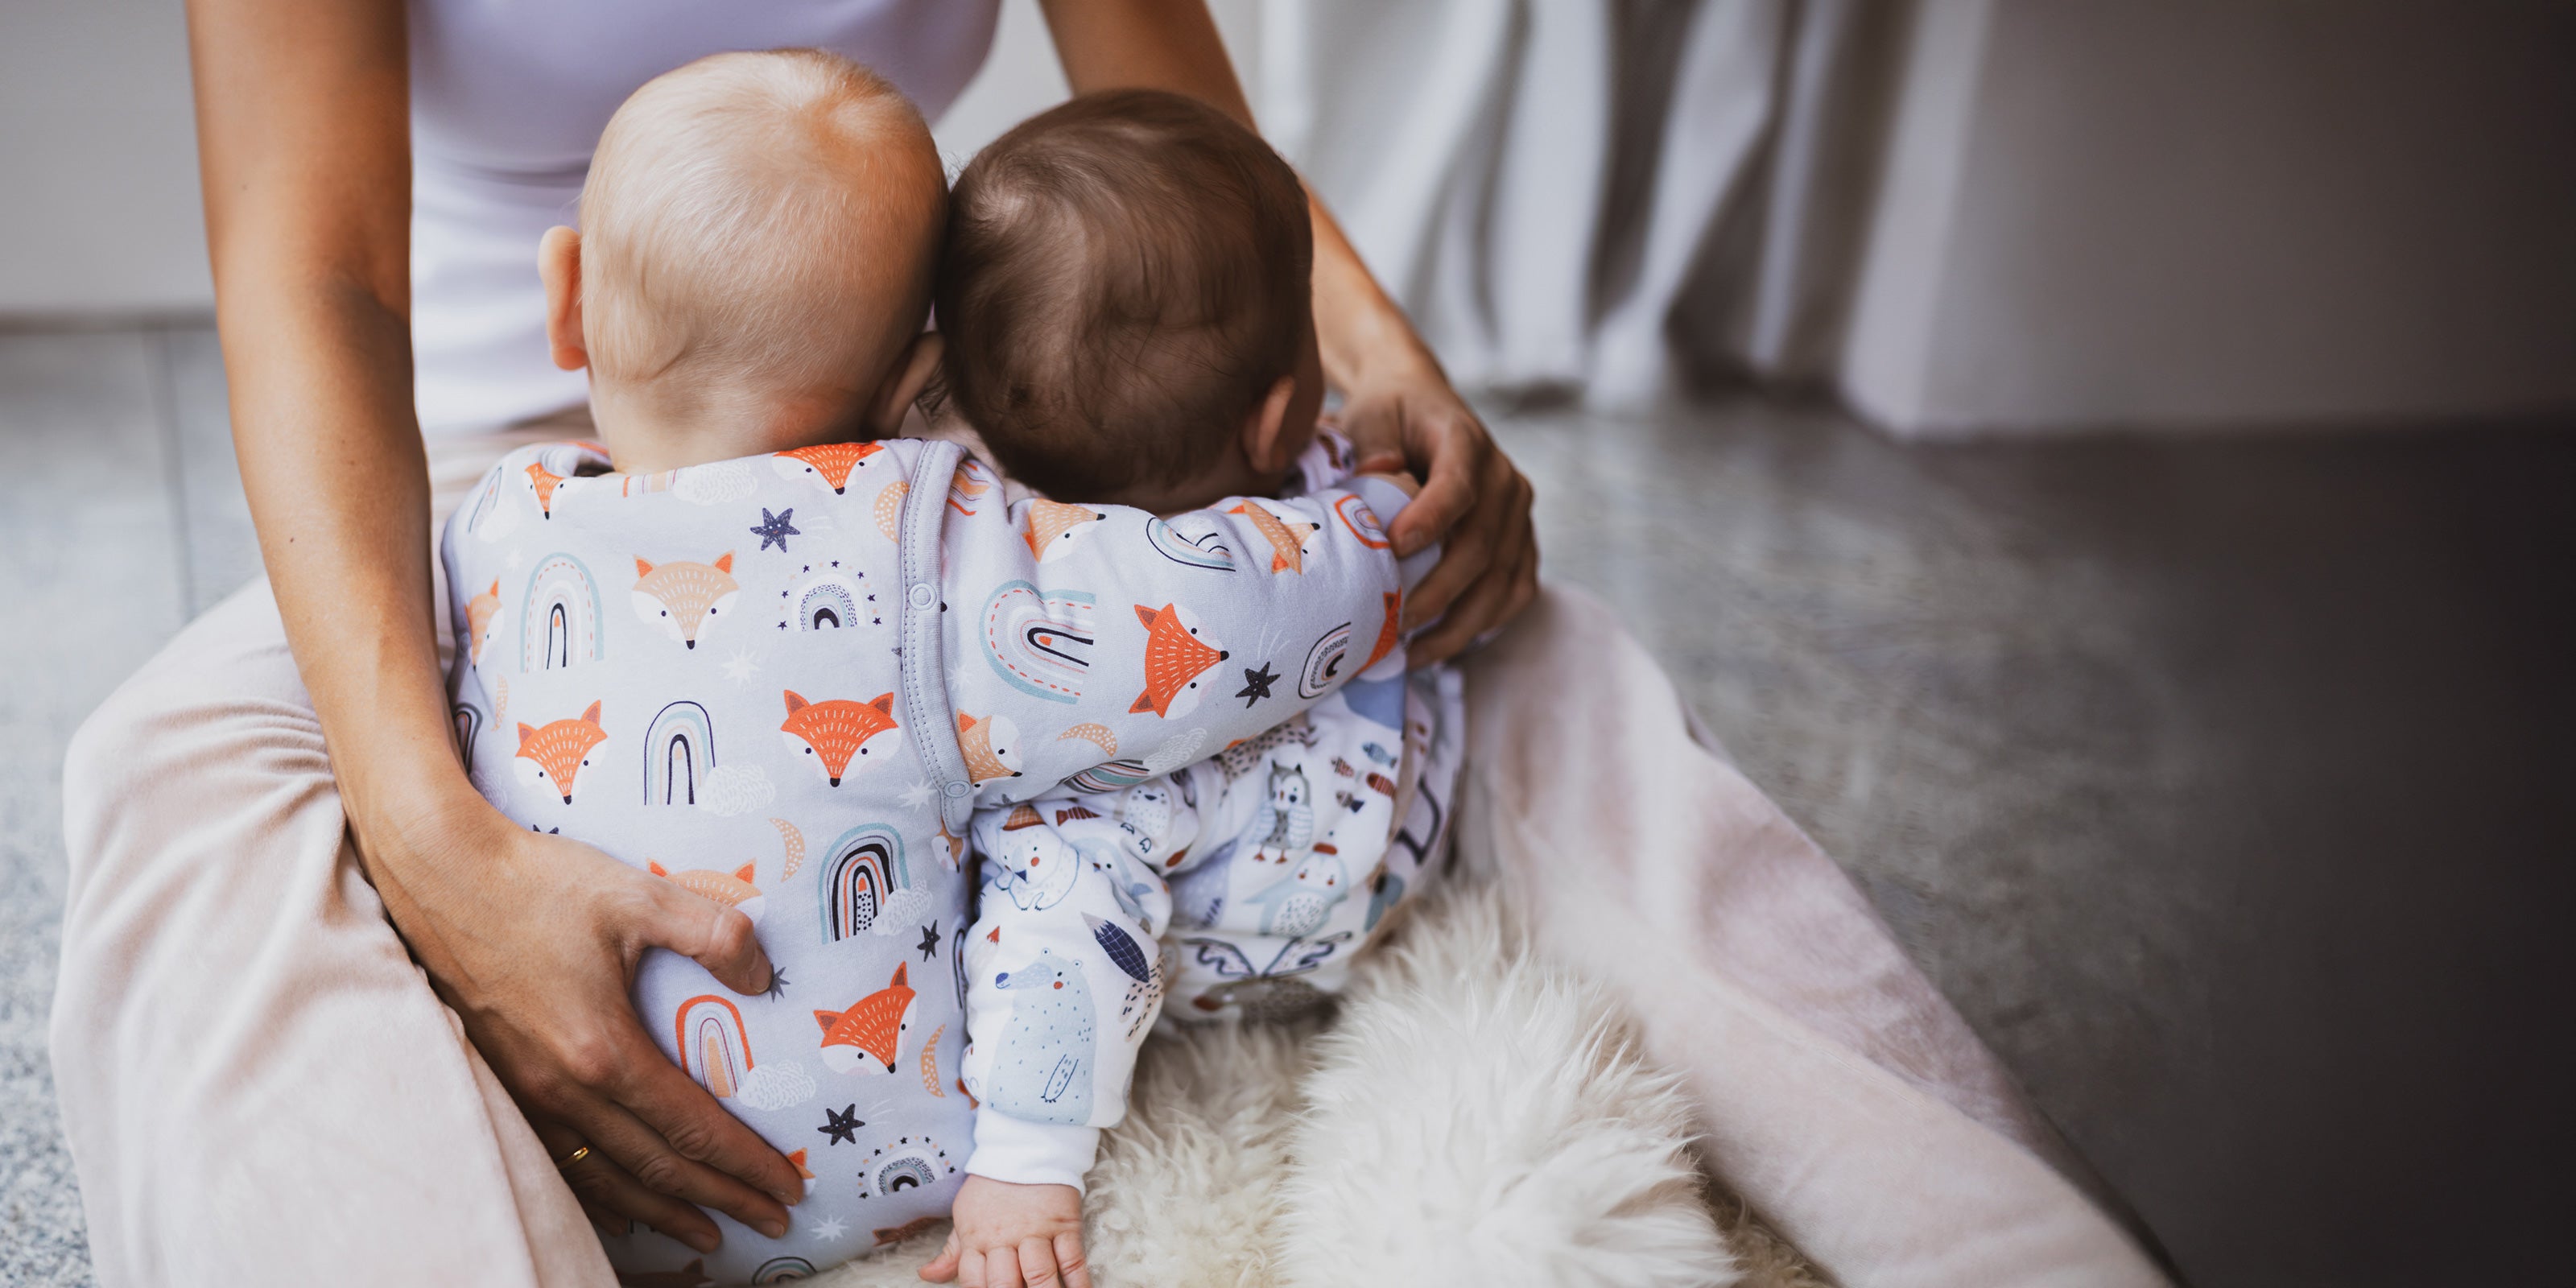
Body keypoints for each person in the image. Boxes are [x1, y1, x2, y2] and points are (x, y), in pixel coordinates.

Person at [56, 0, 2169, 1285]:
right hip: (497, 468)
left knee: (1529, 663)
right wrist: (432, 831)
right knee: (178, 787)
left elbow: (1175, 107)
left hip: (927, 408)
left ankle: (2012, 1245)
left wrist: (1378, 376)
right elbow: (313, 274)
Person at [440, 52, 1442, 1282]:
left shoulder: (492, 526)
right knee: (1083, 820)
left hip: (566, 1170)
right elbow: (1206, 622)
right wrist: (1376, 531)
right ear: (911, 381)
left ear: (564, 298)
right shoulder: (925, 547)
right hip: (855, 1193)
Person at [925, 91, 1466, 1286]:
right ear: (1277, 417)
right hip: (1333, 901)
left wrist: (1024, 1166)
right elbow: (1431, 550)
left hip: (1234, 920)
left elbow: (1058, 935)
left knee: (1061, 879)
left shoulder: (1019, 627)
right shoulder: (1346, 517)